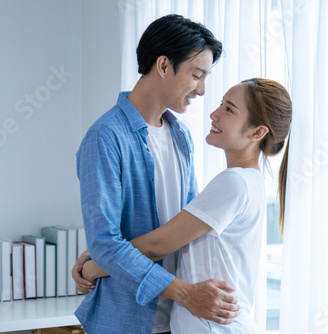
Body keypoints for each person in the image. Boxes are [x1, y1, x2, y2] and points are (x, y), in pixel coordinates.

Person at [77, 78, 292, 333]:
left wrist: (95, 265)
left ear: (257, 133)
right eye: (221, 104)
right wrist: (97, 256)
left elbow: (159, 245)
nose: (214, 114)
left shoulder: (234, 183)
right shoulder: (246, 182)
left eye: (229, 110)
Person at [74, 14, 239, 334]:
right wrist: (186, 293)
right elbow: (107, 245)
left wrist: (94, 261)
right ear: (164, 66)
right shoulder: (105, 137)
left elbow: (184, 227)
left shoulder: (181, 137)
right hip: (126, 321)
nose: (202, 90)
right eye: (197, 75)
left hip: (178, 320)